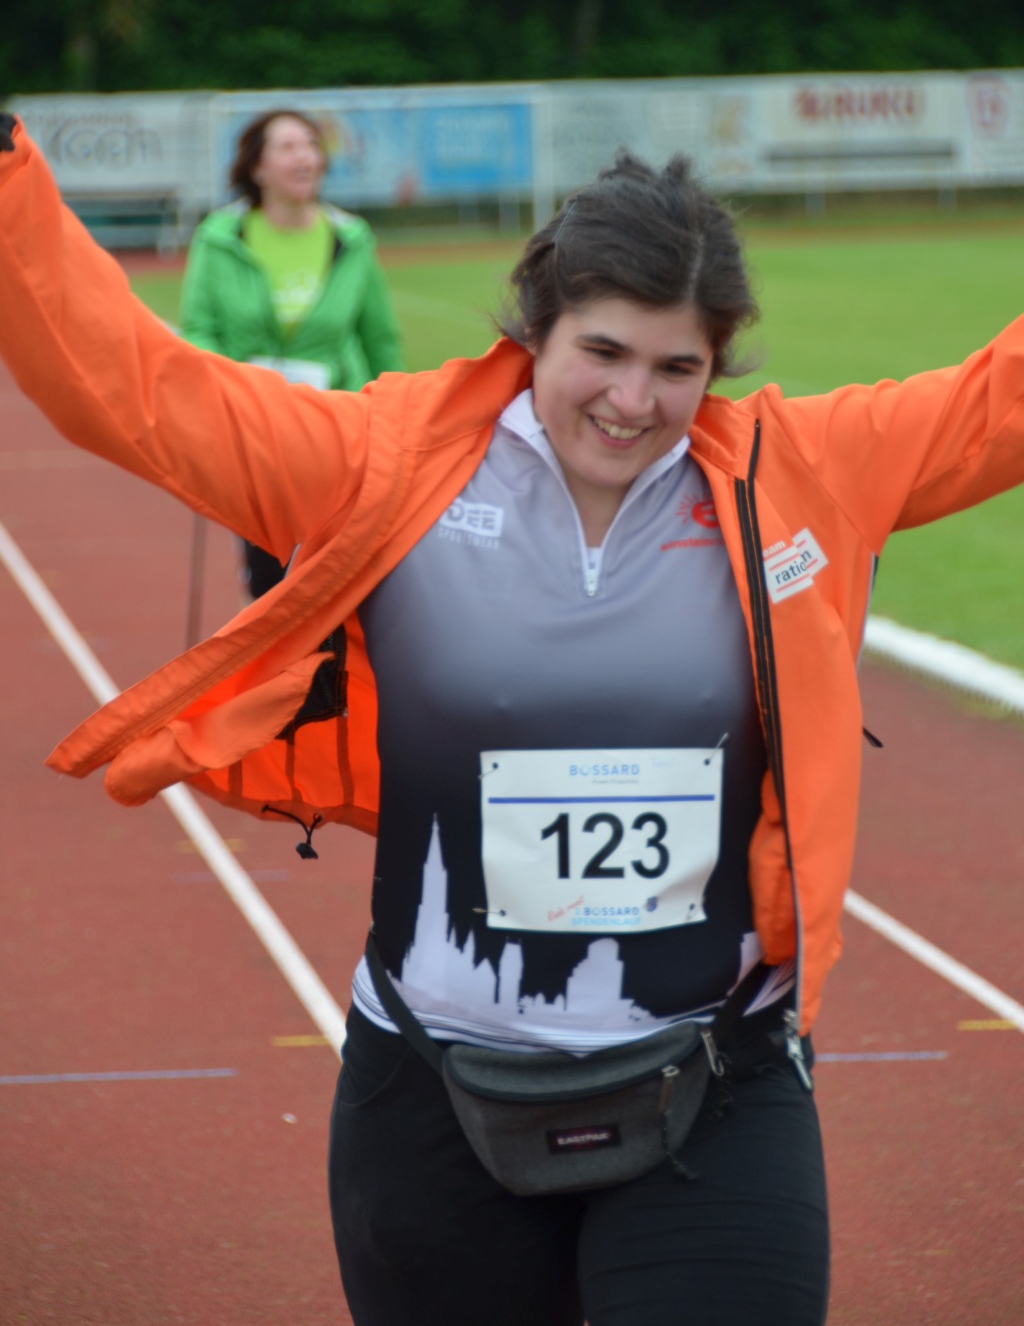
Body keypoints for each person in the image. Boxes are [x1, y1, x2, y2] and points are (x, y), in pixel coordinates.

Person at [1, 112, 1022, 1326]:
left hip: (717, 1080)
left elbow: (995, 404)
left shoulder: (798, 474)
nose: (633, 402)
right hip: (432, 1093)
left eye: (678, 367)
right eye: (603, 351)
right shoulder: (378, 463)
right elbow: (129, 388)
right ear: (533, 327)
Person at [180, 108, 402, 597]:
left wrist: (397, 418)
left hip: (336, 424)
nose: (305, 157)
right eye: (288, 147)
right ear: (257, 168)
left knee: (337, 573)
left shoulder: (352, 238)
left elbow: (379, 338)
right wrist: (233, 387)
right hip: (254, 427)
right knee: (271, 577)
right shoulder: (218, 238)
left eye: (311, 145)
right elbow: (198, 330)